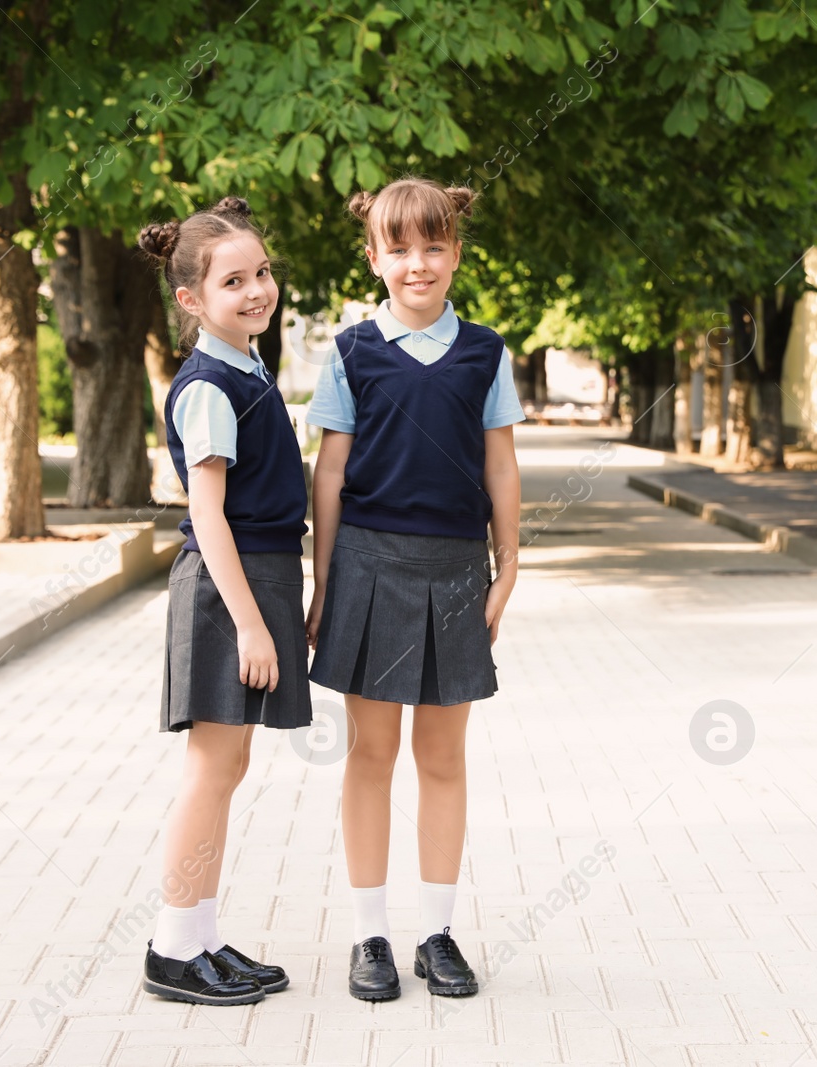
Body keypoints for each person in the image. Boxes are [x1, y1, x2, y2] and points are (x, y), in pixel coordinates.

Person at [306, 176, 524, 1001]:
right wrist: (322, 585)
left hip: (456, 569)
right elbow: (330, 473)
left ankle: (436, 931)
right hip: (366, 564)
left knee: (442, 757)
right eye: (400, 249)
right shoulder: (352, 352)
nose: (418, 264)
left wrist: (511, 564)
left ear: (456, 253)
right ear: (374, 256)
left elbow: (500, 461)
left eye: (434, 246)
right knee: (371, 753)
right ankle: (370, 934)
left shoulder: (486, 352)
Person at [137, 196, 312, 1006]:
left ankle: (203, 935)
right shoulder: (208, 383)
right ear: (191, 301)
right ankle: (173, 946)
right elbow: (206, 514)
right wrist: (250, 623)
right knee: (210, 768)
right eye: (233, 280)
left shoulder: (246, 365)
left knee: (230, 762)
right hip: (223, 590)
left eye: (262, 272)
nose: (256, 290)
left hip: (259, 578)